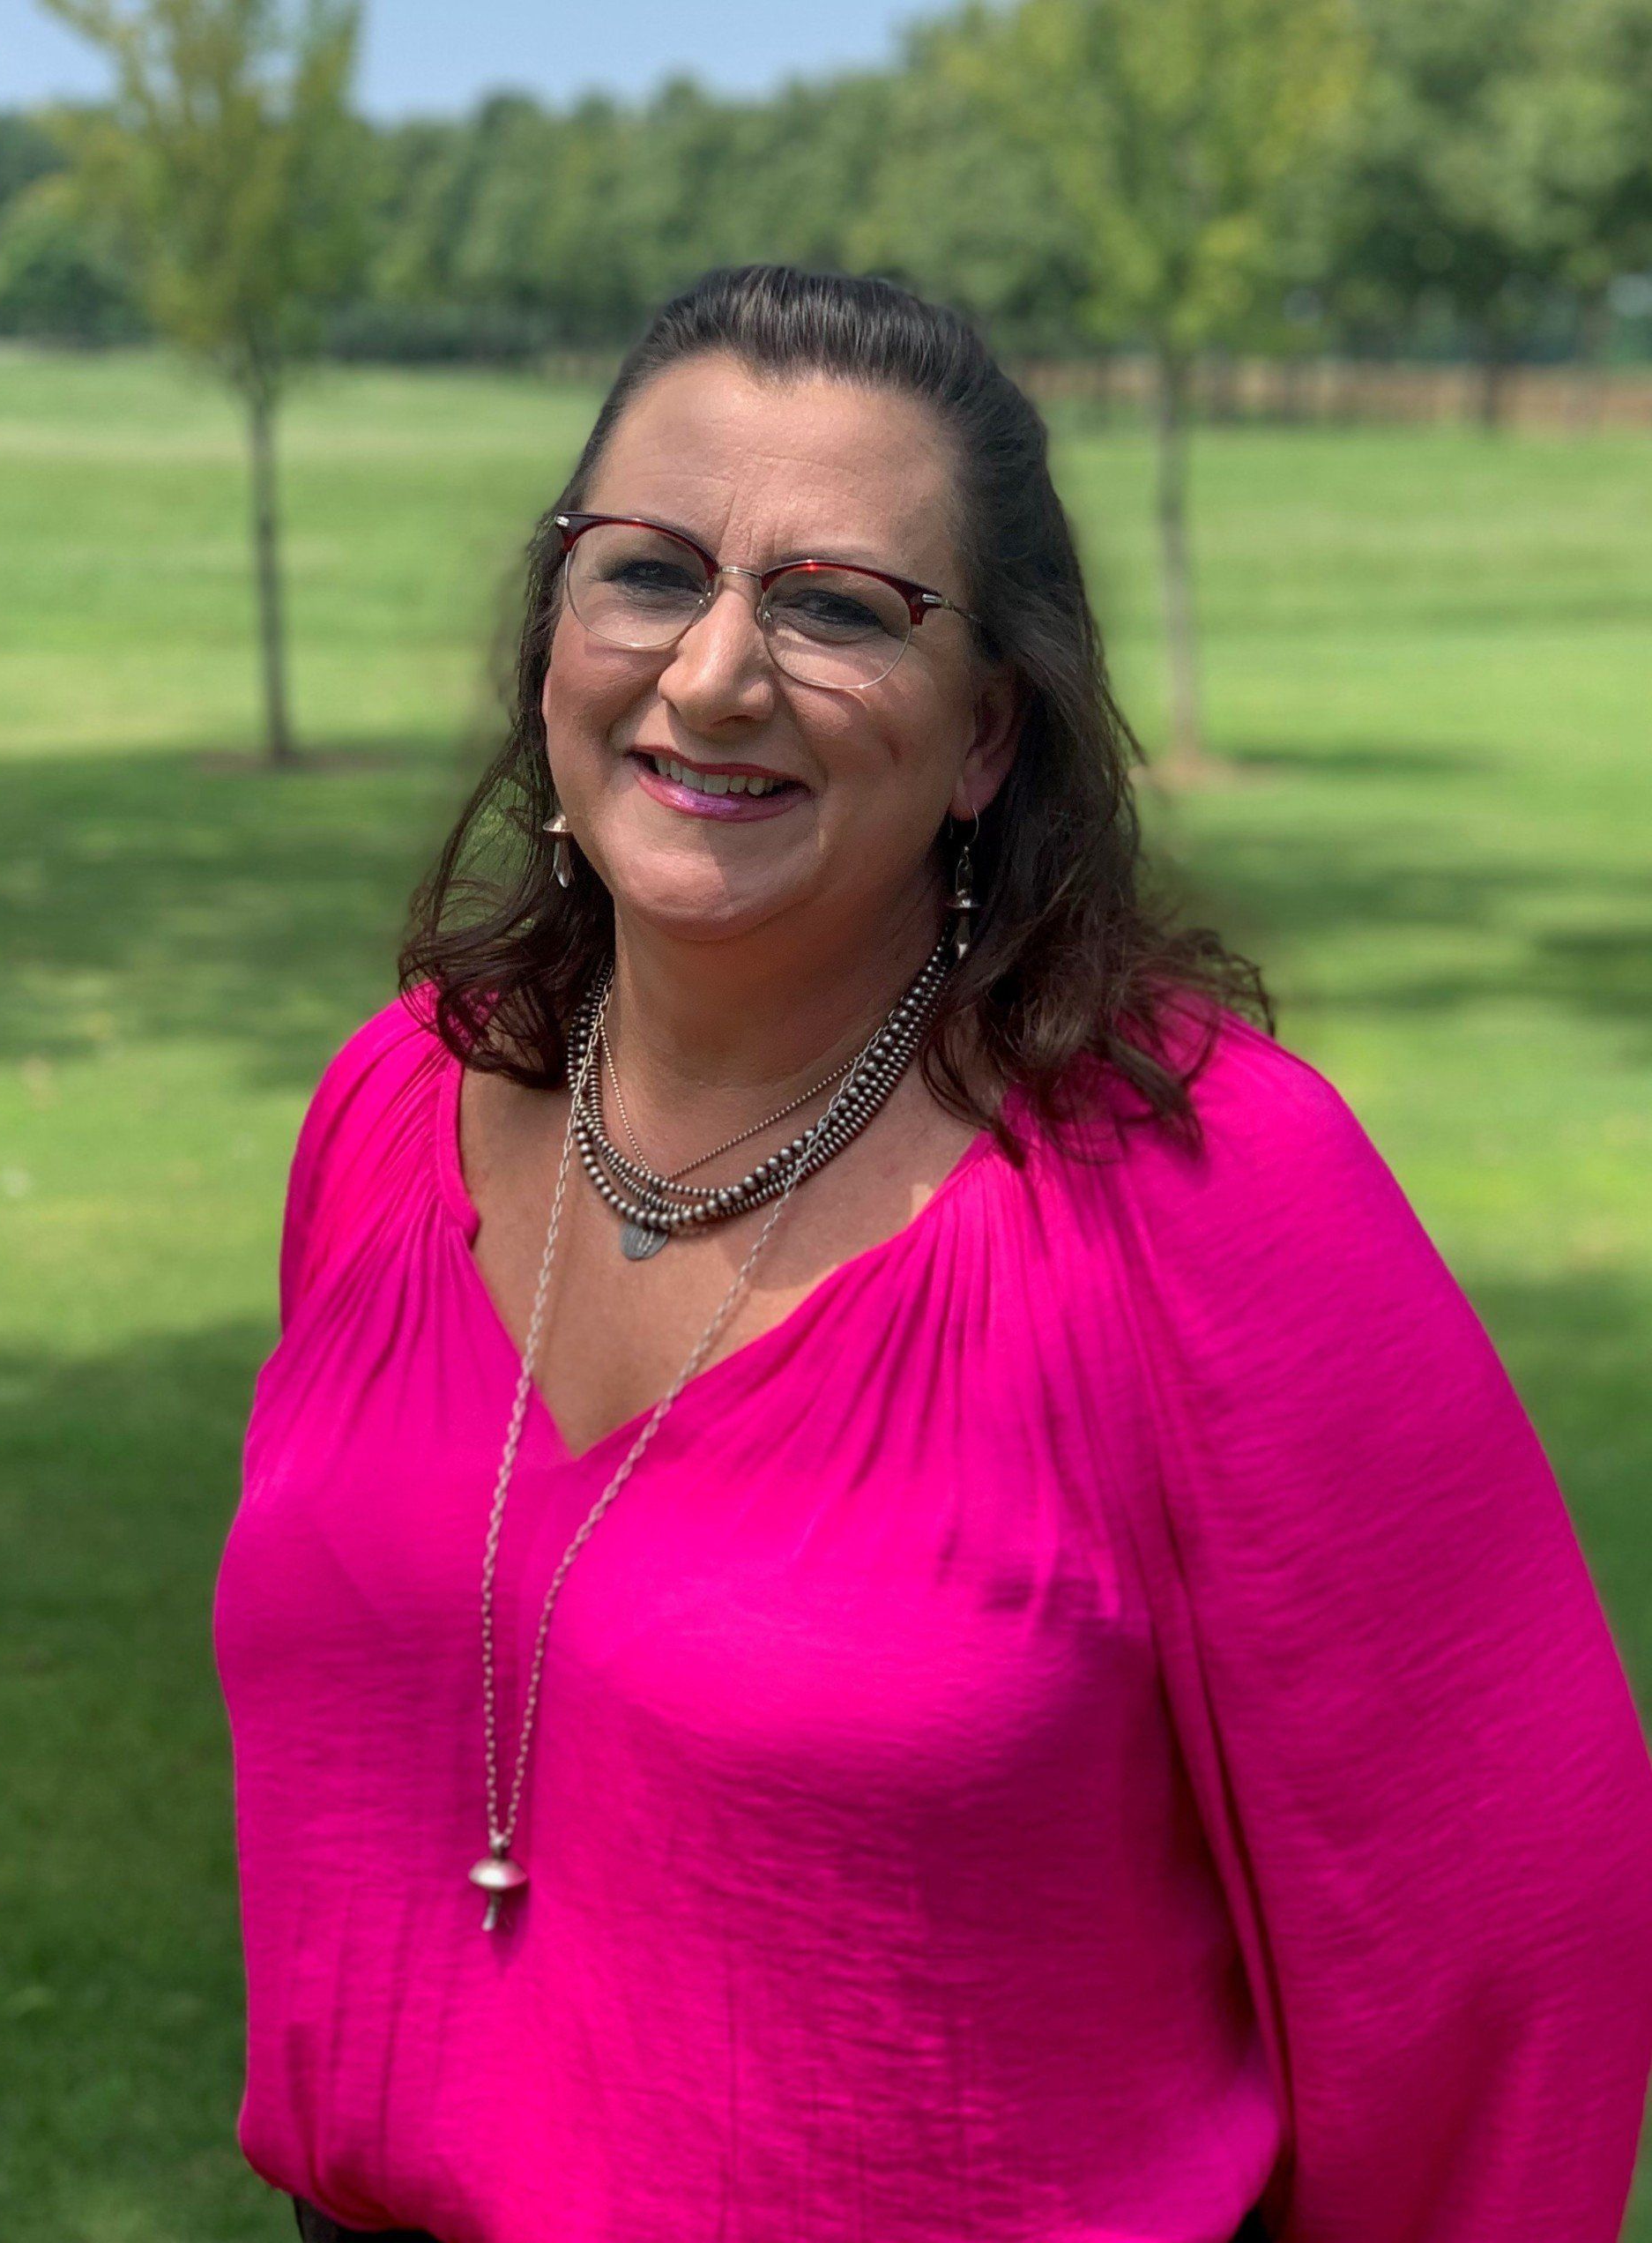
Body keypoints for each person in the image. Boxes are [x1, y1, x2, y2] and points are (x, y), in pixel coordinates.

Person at [212, 265, 1652, 2243]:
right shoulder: (391, 1114)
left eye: (836, 607)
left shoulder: (1208, 1191)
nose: (716, 674)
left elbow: (1502, 1942)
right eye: (649, 573)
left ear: (985, 735)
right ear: (554, 634)